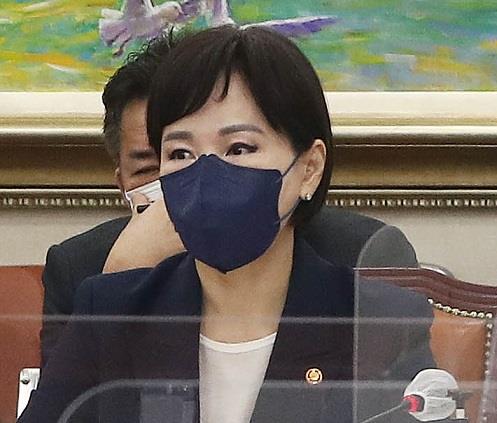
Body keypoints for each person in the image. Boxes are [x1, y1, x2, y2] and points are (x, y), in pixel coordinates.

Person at [21, 26, 432, 423]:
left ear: (309, 168)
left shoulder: (377, 323)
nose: (206, 174)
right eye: (180, 153)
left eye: (238, 148)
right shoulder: (112, 312)